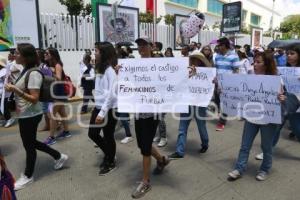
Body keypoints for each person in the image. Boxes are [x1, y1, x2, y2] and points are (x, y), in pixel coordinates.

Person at [4, 43, 68, 190]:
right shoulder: (25, 70)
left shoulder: (33, 73)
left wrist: (15, 89)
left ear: (26, 57)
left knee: (29, 145)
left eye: (18, 53)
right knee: (31, 142)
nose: (15, 55)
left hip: (31, 114)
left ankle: (28, 176)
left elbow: (34, 98)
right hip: (25, 114)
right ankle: (59, 156)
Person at [228, 51, 284, 182]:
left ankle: (264, 169)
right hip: (251, 117)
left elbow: (280, 98)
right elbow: (238, 91)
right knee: (245, 145)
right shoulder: (249, 76)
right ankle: (239, 168)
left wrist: (281, 98)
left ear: (267, 64)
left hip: (268, 120)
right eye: (255, 61)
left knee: (266, 147)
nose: (255, 65)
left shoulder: (276, 79)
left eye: (259, 62)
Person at [131, 38, 170, 199]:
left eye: (144, 45)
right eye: (139, 45)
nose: (141, 48)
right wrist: (120, 72)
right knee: (142, 144)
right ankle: (161, 159)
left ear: (151, 47)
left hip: (152, 112)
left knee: (145, 147)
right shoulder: (133, 65)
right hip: (138, 111)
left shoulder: (159, 63)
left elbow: (171, 79)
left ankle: (145, 182)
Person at [255, 44, 300, 160]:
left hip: (297, 106)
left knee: (297, 129)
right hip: (282, 104)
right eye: (287, 53)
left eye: (292, 53)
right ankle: (267, 151)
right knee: (275, 129)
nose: (288, 56)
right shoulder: (282, 69)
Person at [168, 52, 212, 159]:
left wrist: (213, 81)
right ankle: (179, 151)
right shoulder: (184, 71)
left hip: (200, 104)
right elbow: (178, 85)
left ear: (201, 61)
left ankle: (205, 143)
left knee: (201, 126)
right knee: (182, 127)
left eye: (196, 59)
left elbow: (209, 88)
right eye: (192, 59)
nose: (194, 61)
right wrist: (187, 76)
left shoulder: (207, 73)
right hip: (186, 102)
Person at [88, 42, 118, 175]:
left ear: (104, 53)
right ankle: (110, 154)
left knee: (108, 135)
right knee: (93, 134)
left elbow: (112, 94)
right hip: (99, 106)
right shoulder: (100, 68)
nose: (94, 53)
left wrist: (102, 113)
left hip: (109, 109)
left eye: (96, 51)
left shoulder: (110, 71)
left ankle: (110, 161)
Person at [43, 47, 70, 145]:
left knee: (52, 114)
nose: (45, 54)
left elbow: (58, 79)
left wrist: (51, 71)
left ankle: (51, 137)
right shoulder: (48, 65)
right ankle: (66, 131)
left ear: (53, 55)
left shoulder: (57, 65)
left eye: (47, 53)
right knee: (62, 113)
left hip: (58, 93)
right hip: (56, 92)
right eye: (45, 53)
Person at [214, 37, 240, 131]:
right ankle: (222, 114)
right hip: (218, 83)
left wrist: (232, 83)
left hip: (228, 84)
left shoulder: (234, 56)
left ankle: (222, 122)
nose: (218, 47)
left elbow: (236, 70)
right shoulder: (217, 56)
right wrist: (216, 79)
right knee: (217, 101)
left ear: (224, 45)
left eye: (219, 45)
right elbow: (216, 69)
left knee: (224, 103)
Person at [36, 49, 53, 131]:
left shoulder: (44, 66)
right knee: (45, 109)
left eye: (36, 54)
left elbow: (50, 78)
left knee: (46, 109)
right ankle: (50, 124)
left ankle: (51, 124)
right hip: (42, 90)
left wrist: (40, 76)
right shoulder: (38, 65)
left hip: (46, 91)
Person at [0, 56, 13, 128]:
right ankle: (3, 119)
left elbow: (8, 82)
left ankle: (9, 119)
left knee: (4, 106)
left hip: (3, 92)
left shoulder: (5, 71)